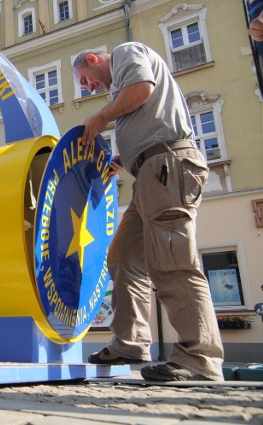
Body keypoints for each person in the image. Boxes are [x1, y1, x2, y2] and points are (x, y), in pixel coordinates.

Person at [72, 42, 224, 382]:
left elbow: (142, 91)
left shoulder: (126, 53)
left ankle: (199, 358)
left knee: (172, 260)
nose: (89, 88)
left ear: (94, 59)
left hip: (166, 166)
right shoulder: (119, 82)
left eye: (85, 79)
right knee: (123, 255)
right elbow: (151, 118)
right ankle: (130, 342)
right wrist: (123, 161)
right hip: (149, 172)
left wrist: (101, 117)